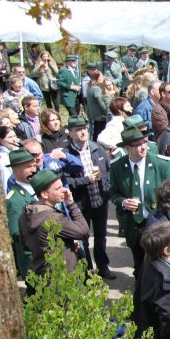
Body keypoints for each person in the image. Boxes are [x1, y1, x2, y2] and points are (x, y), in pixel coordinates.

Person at [109, 126, 170, 276]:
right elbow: (113, 193)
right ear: (127, 148)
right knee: (140, 266)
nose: (143, 147)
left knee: (161, 266)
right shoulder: (117, 166)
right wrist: (123, 202)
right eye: (137, 144)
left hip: (157, 224)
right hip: (134, 225)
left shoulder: (162, 164)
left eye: (144, 142)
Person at [64, 115, 114, 280]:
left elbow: (107, 171)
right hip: (80, 203)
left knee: (101, 236)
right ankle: (87, 270)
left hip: (99, 201)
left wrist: (106, 189)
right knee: (82, 237)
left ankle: (103, 266)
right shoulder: (66, 154)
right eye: (77, 130)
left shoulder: (96, 148)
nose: (82, 132)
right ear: (70, 133)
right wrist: (85, 180)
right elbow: (65, 181)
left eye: (84, 128)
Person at [18, 169, 90, 276]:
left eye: (62, 186)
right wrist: (71, 204)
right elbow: (84, 232)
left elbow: (25, 245)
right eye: (58, 188)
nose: (64, 190)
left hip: (41, 273)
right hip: (61, 277)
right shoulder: (53, 219)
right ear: (44, 194)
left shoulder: (26, 214)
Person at [5, 149, 38, 282]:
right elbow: (17, 234)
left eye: (34, 165)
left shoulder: (39, 187)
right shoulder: (14, 199)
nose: (33, 170)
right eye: (28, 167)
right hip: (33, 261)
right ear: (16, 171)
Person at [0, 125, 20, 194]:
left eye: (14, 136)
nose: (14, 139)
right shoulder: (2, 159)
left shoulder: (18, 151)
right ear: (0, 140)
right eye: (10, 137)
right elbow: (5, 182)